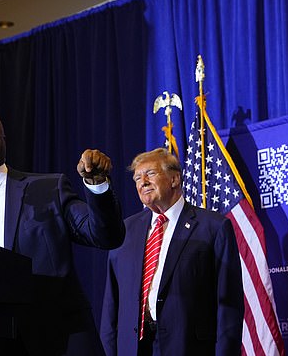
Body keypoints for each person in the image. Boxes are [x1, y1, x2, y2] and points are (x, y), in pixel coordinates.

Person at [0, 107, 125, 356]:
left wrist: (97, 185)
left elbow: (104, 234)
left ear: (2, 140)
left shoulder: (46, 188)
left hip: (52, 338)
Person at [100, 148, 244, 356]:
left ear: (175, 179)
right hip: (134, 348)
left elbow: (229, 304)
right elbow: (111, 306)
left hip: (189, 347)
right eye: (137, 178)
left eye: (150, 173)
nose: (143, 182)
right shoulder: (124, 231)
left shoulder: (213, 228)